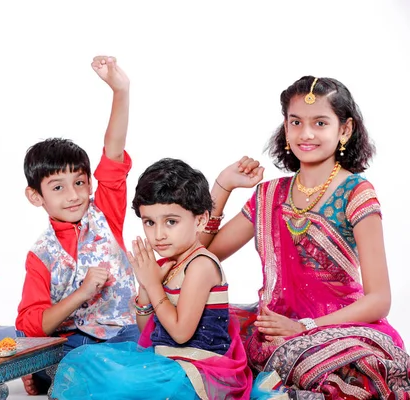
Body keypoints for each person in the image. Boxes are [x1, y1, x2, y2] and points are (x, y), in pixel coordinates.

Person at [203, 76, 410, 398]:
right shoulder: (269, 194)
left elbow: (379, 300)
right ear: (285, 128)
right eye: (296, 122)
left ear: (345, 130)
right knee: (196, 332)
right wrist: (222, 186)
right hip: (273, 326)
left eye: (320, 122)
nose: (306, 133)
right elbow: (204, 256)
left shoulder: (356, 193)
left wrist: (306, 327)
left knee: (347, 379)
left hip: (341, 329)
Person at [49, 158, 254, 400]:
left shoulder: (201, 264)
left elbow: (180, 334)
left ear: (200, 220)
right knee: (88, 363)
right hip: (167, 359)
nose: (158, 235)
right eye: (149, 222)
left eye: (171, 222)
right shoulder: (169, 264)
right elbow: (149, 332)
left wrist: (153, 284)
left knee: (121, 383)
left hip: (201, 370)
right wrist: (145, 288)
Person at [15, 55, 139, 395]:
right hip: (73, 341)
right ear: (35, 196)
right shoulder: (40, 255)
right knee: (35, 345)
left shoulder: (105, 215)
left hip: (123, 331)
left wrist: (120, 89)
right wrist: (81, 293)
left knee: (138, 361)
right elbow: (32, 324)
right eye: (58, 187)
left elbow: (113, 152)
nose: (73, 195)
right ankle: (53, 374)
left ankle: (59, 378)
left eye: (80, 183)